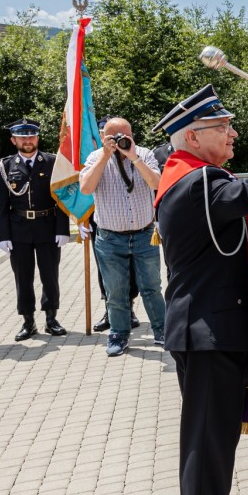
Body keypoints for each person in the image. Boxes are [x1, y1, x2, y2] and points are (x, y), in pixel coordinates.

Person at [154, 82, 248, 495]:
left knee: (214, 446)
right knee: (206, 450)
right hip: (208, 334)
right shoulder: (199, 180)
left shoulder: (188, 176)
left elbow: (214, 243)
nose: (233, 133)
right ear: (193, 137)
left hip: (208, 330)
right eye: (222, 126)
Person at [79, 117, 168, 356]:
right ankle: (119, 333)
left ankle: (163, 331)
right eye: (114, 136)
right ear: (103, 137)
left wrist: (133, 157)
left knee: (151, 286)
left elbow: (157, 183)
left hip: (144, 235)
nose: (120, 140)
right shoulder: (94, 158)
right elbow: (86, 188)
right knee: (115, 291)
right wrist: (105, 156)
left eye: (125, 135)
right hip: (110, 238)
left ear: (132, 134)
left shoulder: (144, 154)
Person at [0, 118, 70, 341]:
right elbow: (1, 206)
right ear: (13, 140)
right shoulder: (5, 165)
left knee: (50, 275)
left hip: (47, 226)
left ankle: (51, 318)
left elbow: (61, 199)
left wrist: (62, 229)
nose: (28, 141)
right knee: (23, 277)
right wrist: (3, 235)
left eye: (31, 136)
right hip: (18, 230)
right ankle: (28, 321)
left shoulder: (52, 162)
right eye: (23, 137)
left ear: (37, 138)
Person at [92, 115, 141, 333]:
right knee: (106, 272)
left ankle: (128, 308)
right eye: (105, 133)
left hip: (131, 222)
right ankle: (109, 310)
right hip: (101, 220)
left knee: (130, 269)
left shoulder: (133, 153)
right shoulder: (93, 155)